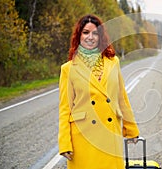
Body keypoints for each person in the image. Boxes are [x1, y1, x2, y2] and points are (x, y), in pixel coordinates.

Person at [58, 14, 140, 169]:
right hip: (83, 138)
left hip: (109, 134)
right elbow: (64, 109)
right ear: (79, 36)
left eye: (95, 33)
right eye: (86, 32)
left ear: (101, 37)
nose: (90, 37)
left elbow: (121, 97)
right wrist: (64, 143)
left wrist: (131, 128)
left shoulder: (113, 62)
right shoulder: (68, 69)